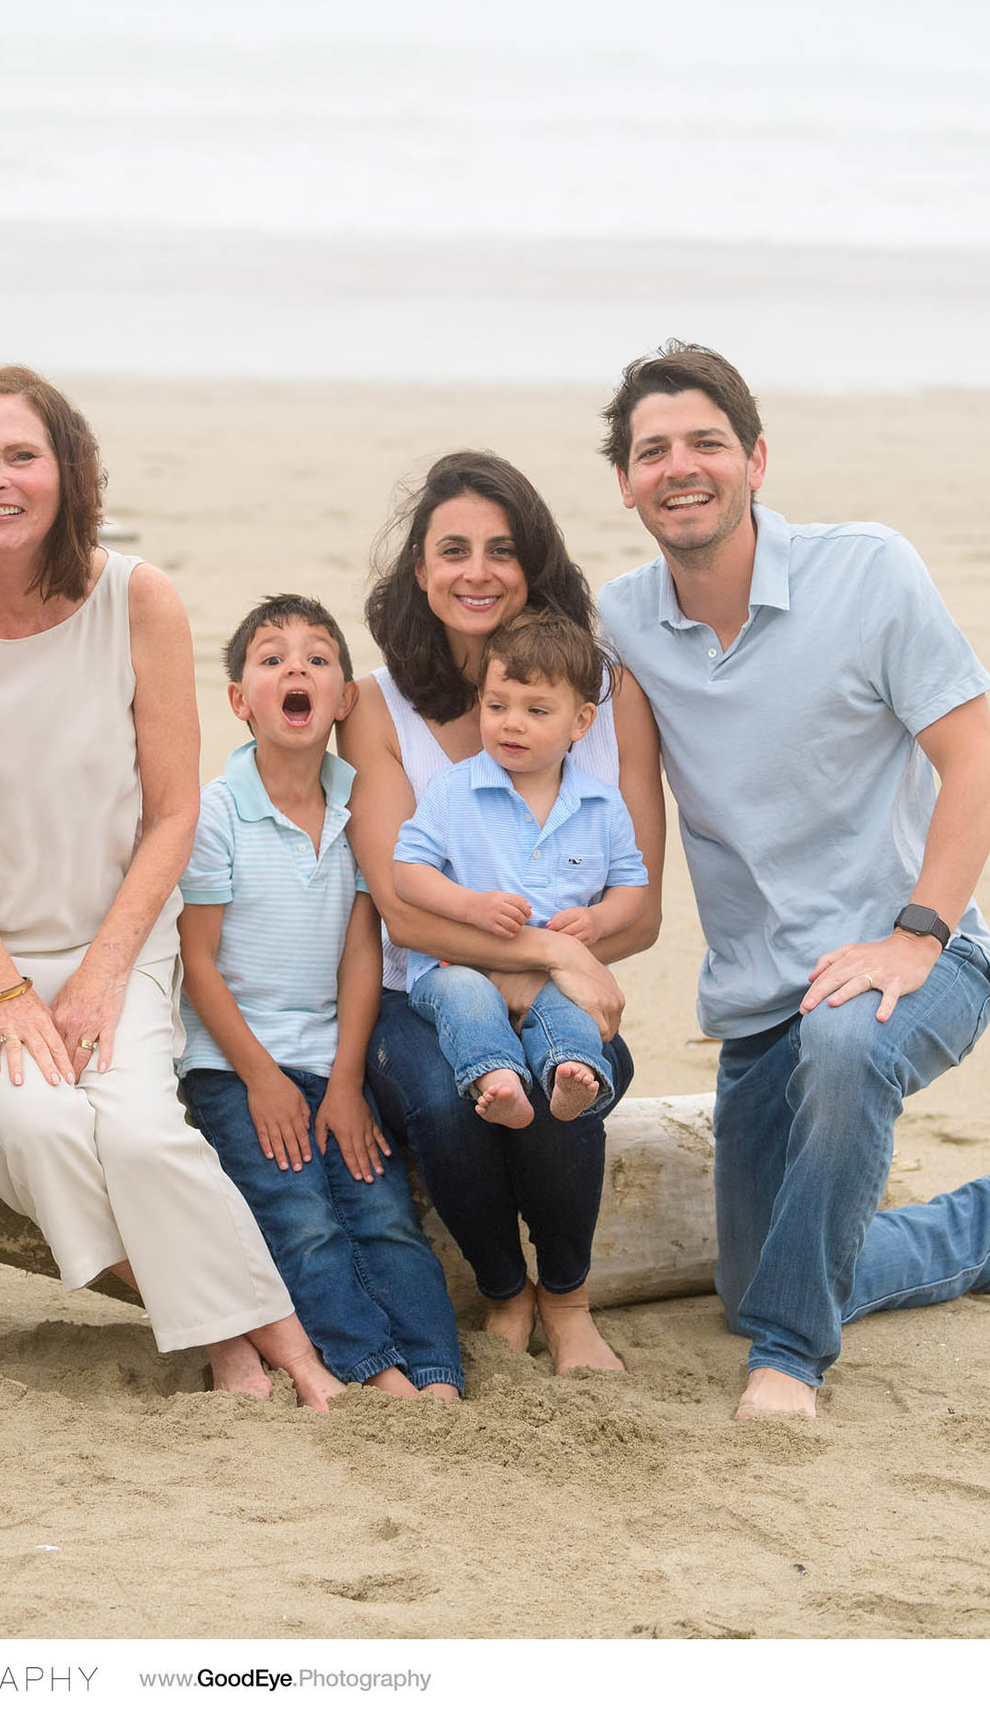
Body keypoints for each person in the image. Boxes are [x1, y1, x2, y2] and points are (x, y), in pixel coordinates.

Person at [0, 366, 343, 1408]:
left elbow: (174, 811)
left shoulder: (140, 598)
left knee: (136, 1131)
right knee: (33, 1129)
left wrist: (99, 974)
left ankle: (259, 1347)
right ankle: (258, 1341)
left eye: (20, 456)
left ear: (67, 472)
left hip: (114, 936)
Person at [595, 341, 990, 1421]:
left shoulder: (869, 571)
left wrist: (915, 931)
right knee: (751, 1281)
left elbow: (976, 763)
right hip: (762, 1004)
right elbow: (616, 840)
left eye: (704, 441)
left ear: (755, 457)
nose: (679, 465)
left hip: (921, 957)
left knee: (846, 1040)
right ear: (625, 483)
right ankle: (974, 1229)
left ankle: (789, 1364)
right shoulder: (624, 626)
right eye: (651, 450)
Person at [340, 452, 662, 1377]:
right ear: (420, 571)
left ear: (536, 568)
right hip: (422, 992)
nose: (476, 571)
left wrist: (554, 972)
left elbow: (637, 914)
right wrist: (552, 959)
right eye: (452, 550)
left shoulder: (610, 695)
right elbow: (404, 909)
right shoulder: (373, 703)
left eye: (501, 550)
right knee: (447, 1103)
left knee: (572, 1086)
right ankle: (502, 1291)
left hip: (564, 994)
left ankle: (567, 1300)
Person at [174, 593, 466, 1401]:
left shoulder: (359, 809)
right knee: (303, 1222)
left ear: (342, 700)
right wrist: (262, 1079)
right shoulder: (216, 813)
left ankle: (436, 1374)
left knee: (382, 1217)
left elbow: (359, 957)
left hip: (332, 1062)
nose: (294, 668)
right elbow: (197, 963)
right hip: (236, 1069)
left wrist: (344, 1085)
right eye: (270, 659)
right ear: (240, 700)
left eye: (317, 658)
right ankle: (372, 1373)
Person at [392, 609, 649, 1128]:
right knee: (468, 1000)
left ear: (580, 721)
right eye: (497, 705)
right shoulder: (453, 791)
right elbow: (407, 872)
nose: (512, 722)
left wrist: (598, 922)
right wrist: (472, 905)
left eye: (536, 710)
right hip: (456, 963)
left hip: (547, 969)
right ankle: (498, 1080)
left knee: (570, 1006)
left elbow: (631, 886)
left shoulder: (601, 804)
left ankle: (570, 1075)